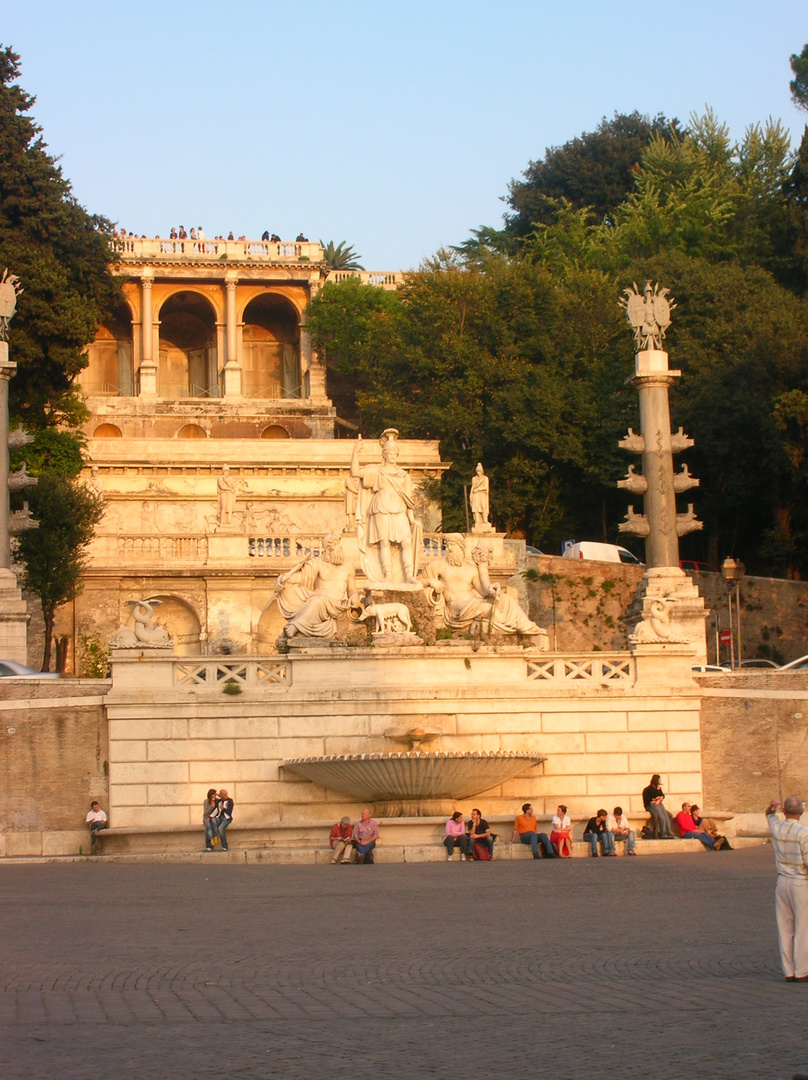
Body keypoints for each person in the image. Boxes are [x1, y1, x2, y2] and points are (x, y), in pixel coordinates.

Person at [421, 533, 544, 636]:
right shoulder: (437, 565)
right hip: (456, 608)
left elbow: (483, 591)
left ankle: (526, 626)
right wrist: (430, 581)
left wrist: (492, 587)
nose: (449, 549)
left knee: (507, 599)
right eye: (447, 545)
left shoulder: (471, 569)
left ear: (460, 547)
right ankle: (513, 628)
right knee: (487, 608)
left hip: (473, 602)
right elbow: (418, 582)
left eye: (452, 545)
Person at [351, 430, 419, 584]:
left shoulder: (404, 475)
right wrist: (356, 451)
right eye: (390, 452)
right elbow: (355, 472)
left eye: (395, 453)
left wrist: (412, 518)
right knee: (384, 542)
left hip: (399, 508)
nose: (393, 455)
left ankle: (409, 574)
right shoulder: (377, 471)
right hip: (381, 507)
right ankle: (387, 574)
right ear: (384, 454)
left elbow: (408, 500)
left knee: (406, 541)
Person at [276, 533, 360, 639]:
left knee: (318, 601)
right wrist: (282, 580)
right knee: (305, 595)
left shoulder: (348, 567)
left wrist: (355, 595)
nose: (336, 549)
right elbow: (300, 577)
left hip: (336, 605)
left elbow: (352, 590)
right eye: (331, 547)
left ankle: (296, 626)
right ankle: (298, 625)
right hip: (317, 598)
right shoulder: (318, 563)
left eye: (336, 545)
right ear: (326, 550)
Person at [765, 796, 808, 981]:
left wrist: (772, 806)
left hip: (782, 881)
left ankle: (788, 971)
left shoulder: (777, 828)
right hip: (800, 881)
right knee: (803, 928)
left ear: (784, 811)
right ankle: (802, 970)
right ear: (802, 812)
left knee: (785, 928)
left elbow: (769, 815)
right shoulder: (804, 833)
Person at [642, 774, 674, 838]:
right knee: (661, 816)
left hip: (659, 804)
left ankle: (668, 832)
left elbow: (662, 796)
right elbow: (648, 799)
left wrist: (660, 799)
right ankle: (662, 833)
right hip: (652, 805)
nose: (660, 781)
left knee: (667, 815)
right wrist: (655, 799)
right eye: (659, 780)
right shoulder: (648, 789)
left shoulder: (659, 788)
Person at [469, 463, 490, 528]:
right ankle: (477, 521)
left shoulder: (485, 478)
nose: (478, 473)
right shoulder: (474, 478)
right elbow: (473, 487)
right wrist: (471, 495)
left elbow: (486, 487)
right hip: (475, 494)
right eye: (477, 471)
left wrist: (478, 489)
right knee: (476, 508)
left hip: (482, 494)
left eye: (479, 471)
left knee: (483, 507)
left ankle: (485, 521)